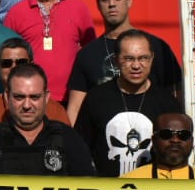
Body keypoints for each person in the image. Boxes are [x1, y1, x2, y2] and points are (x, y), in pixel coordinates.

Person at [68, 0, 185, 119]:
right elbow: (74, 110)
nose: (112, 4)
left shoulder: (157, 47)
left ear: (129, 0)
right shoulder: (87, 54)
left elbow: (177, 97)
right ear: (97, 3)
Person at [73, 29, 182, 177]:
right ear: (116, 60)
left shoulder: (167, 104)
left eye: (143, 58)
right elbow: (80, 149)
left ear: (152, 59)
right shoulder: (96, 98)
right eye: (129, 59)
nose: (136, 66)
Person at [2, 0, 95, 105]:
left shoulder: (79, 9)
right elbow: (6, 60)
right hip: (29, 100)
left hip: (71, 100)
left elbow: (91, 54)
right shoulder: (16, 13)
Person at [0, 37, 69, 147]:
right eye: (6, 63)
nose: (13, 67)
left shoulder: (56, 111)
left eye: (21, 62)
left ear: (32, 64)